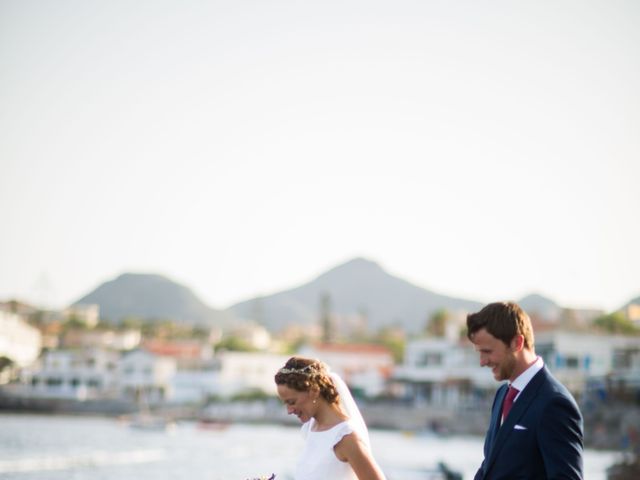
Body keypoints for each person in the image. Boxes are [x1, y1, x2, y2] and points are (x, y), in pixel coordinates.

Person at [466, 301, 584, 480]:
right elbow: (491, 466)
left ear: (517, 342)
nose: (482, 361)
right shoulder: (502, 395)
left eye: (488, 351)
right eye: (479, 353)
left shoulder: (555, 403)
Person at [274, 356, 386, 480]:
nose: (289, 411)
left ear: (314, 391)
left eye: (292, 402)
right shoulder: (311, 428)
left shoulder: (345, 437)